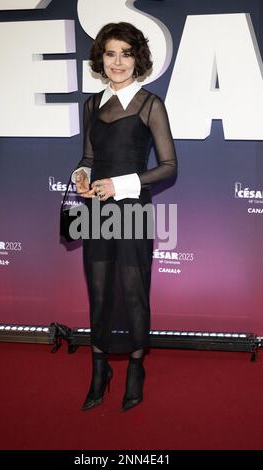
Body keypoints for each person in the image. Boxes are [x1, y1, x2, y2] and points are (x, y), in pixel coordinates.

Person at [71, 22, 177, 412]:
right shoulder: (90, 105)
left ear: (138, 59)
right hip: (96, 210)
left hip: (131, 211)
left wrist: (120, 184)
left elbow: (168, 167)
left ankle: (135, 367)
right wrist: (81, 177)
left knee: (132, 290)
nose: (117, 62)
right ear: (101, 57)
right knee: (99, 291)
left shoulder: (150, 105)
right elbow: (87, 159)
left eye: (126, 53)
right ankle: (100, 368)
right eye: (111, 53)